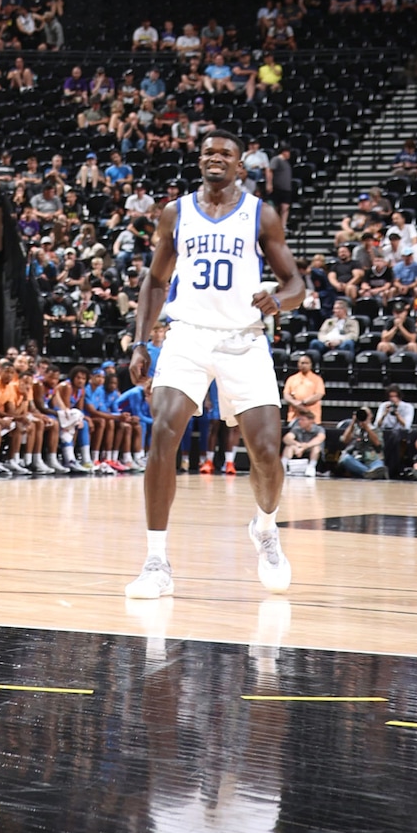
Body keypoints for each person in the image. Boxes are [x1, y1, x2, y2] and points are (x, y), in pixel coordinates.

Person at [126, 130, 303, 600]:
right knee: (163, 432)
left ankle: (265, 527)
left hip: (243, 339)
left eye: (226, 153)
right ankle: (156, 561)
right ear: (199, 160)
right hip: (187, 335)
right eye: (209, 152)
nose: (216, 158)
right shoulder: (176, 212)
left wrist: (279, 300)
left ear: (240, 165)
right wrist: (141, 342)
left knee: (266, 451)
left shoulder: (260, 214)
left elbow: (295, 283)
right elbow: (155, 281)